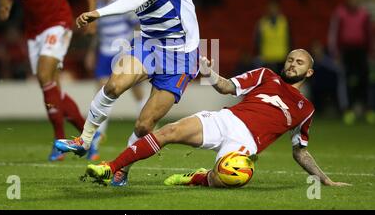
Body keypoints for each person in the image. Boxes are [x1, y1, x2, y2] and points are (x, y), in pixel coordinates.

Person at [84, 49, 351, 188]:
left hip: (245, 145)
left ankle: (198, 178)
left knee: (234, 178)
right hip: (227, 120)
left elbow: (300, 151)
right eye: (290, 60)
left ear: (310, 72)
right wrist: (209, 73)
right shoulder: (265, 75)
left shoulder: (306, 109)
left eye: (299, 63)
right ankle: (112, 168)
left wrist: (323, 179)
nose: (292, 64)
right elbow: (226, 86)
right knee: (169, 132)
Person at [55, 0, 200, 186]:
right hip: (150, 45)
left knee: (144, 126)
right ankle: (85, 139)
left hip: (181, 57)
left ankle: (122, 169)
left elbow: (134, 2)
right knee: (113, 85)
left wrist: (97, 13)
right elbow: (135, 4)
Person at [0, 0, 97, 161]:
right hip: (33, 32)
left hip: (59, 25)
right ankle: (87, 139)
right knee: (51, 89)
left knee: (44, 75)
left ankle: (58, 141)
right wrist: (5, 7)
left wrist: (93, 12)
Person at [84, 0, 146, 161]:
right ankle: (96, 138)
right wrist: (91, 52)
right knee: (102, 93)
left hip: (124, 50)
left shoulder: (122, 1)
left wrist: (138, 50)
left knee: (137, 92)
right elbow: (97, 33)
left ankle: (147, 124)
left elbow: (137, 26)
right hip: (104, 53)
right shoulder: (98, 6)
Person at [328, 0, 372, 125]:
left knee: (364, 80)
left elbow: (370, 34)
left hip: (361, 51)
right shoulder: (340, 13)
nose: (354, 0)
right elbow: (333, 34)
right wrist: (335, 53)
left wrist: (371, 52)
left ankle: (368, 109)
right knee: (345, 81)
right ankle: (348, 110)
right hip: (346, 51)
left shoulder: (364, 14)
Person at [254, 0, 292, 74]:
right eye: (271, 8)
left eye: (274, 8)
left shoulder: (284, 21)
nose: (273, 10)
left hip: (282, 56)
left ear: (278, 9)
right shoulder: (262, 23)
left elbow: (289, 39)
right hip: (267, 57)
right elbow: (257, 40)